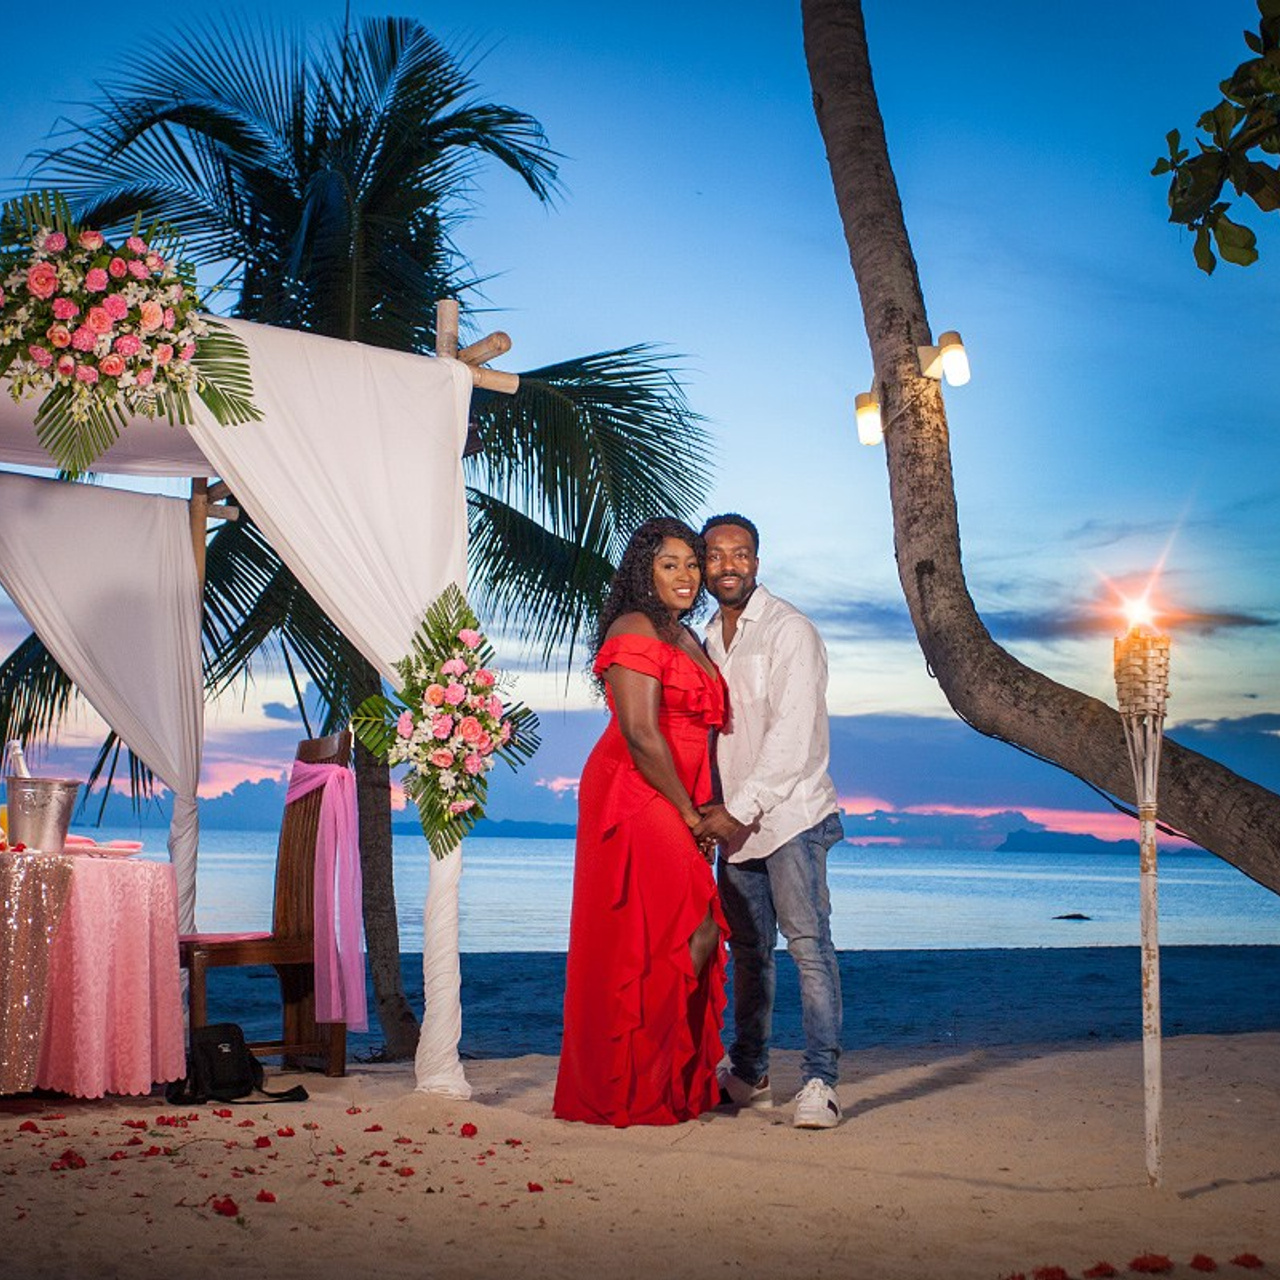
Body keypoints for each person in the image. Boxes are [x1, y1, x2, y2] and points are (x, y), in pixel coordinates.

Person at [553, 517, 729, 1126]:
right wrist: (688, 813)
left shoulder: (684, 635)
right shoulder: (635, 629)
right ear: (644, 572)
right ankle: (633, 1081)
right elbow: (639, 733)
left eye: (691, 563)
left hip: (678, 791)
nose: (685, 575)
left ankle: (656, 1078)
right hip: (636, 788)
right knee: (695, 924)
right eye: (669, 564)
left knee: (669, 934)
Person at [695, 512, 846, 1129]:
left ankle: (821, 1082)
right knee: (750, 951)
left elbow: (792, 737)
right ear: (705, 566)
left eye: (741, 553)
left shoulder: (790, 631)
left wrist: (737, 811)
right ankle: (751, 1071)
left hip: (791, 816)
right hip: (736, 822)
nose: (728, 564)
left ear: (757, 561)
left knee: (808, 947)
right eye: (715, 555)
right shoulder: (706, 638)